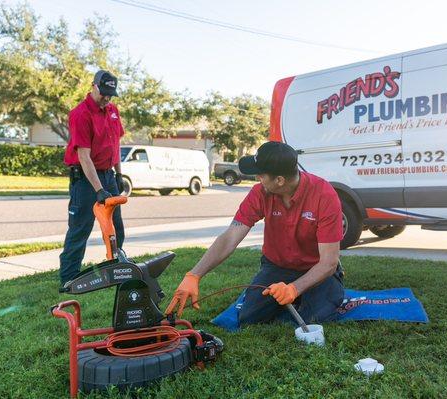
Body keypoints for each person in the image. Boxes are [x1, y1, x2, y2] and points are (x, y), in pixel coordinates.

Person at [165, 141, 345, 325]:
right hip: (277, 267)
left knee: (314, 319)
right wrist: (194, 275)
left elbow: (328, 262)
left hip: (315, 268)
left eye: (260, 174)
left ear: (280, 180)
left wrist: (294, 289)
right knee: (249, 318)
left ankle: (308, 295)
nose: (257, 178)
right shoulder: (260, 193)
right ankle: (296, 297)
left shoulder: (324, 195)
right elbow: (230, 237)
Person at [58, 70, 126, 288]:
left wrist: (118, 173)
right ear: (94, 86)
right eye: (104, 92)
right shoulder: (80, 114)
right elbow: (83, 156)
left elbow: (115, 145)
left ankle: (117, 268)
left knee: (116, 226)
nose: (107, 98)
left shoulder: (113, 111)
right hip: (86, 179)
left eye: (111, 93)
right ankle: (68, 279)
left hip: (109, 176)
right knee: (81, 227)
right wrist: (99, 189)